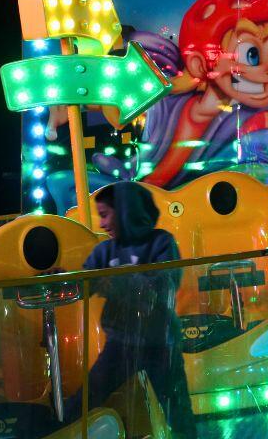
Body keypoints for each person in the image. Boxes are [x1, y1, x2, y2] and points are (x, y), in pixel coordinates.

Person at [64, 182, 195, 434]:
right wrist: (61, 279)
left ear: (126, 212)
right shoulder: (105, 250)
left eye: (104, 214)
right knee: (86, 398)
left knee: (176, 408)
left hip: (160, 343)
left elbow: (156, 290)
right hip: (121, 342)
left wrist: (110, 281)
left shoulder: (162, 243)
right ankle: (60, 430)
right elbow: (85, 282)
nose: (101, 224)